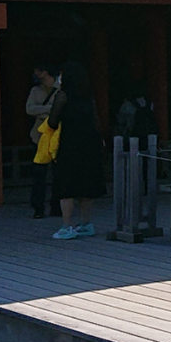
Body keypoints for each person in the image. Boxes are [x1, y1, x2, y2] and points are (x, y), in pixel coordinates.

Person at [48, 61, 106, 240]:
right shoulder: (89, 97)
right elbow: (97, 122)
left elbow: (52, 121)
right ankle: (86, 223)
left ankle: (67, 226)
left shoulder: (62, 95)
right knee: (86, 185)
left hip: (70, 144)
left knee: (66, 186)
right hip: (90, 144)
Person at [26, 64, 59, 218]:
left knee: (59, 174)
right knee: (39, 174)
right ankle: (38, 207)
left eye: (37, 71)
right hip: (39, 137)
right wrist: (51, 110)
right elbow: (29, 109)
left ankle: (57, 206)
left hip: (57, 136)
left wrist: (42, 111)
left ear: (44, 72)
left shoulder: (61, 89)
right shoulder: (35, 91)